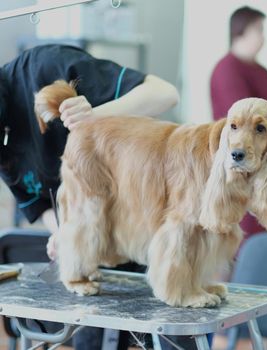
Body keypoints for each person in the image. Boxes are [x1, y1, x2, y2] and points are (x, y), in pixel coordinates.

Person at [0, 44, 181, 349]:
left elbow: (165, 93)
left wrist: (96, 116)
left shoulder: (48, 68)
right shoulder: (4, 149)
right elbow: (40, 203)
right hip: (96, 260)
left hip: (146, 229)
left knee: (167, 335)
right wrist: (63, 235)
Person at [210, 6, 267, 238]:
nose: (263, 36)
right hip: (241, 164)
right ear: (241, 31)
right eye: (259, 29)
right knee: (246, 233)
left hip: (262, 163)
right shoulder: (228, 69)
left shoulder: (258, 69)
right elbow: (242, 119)